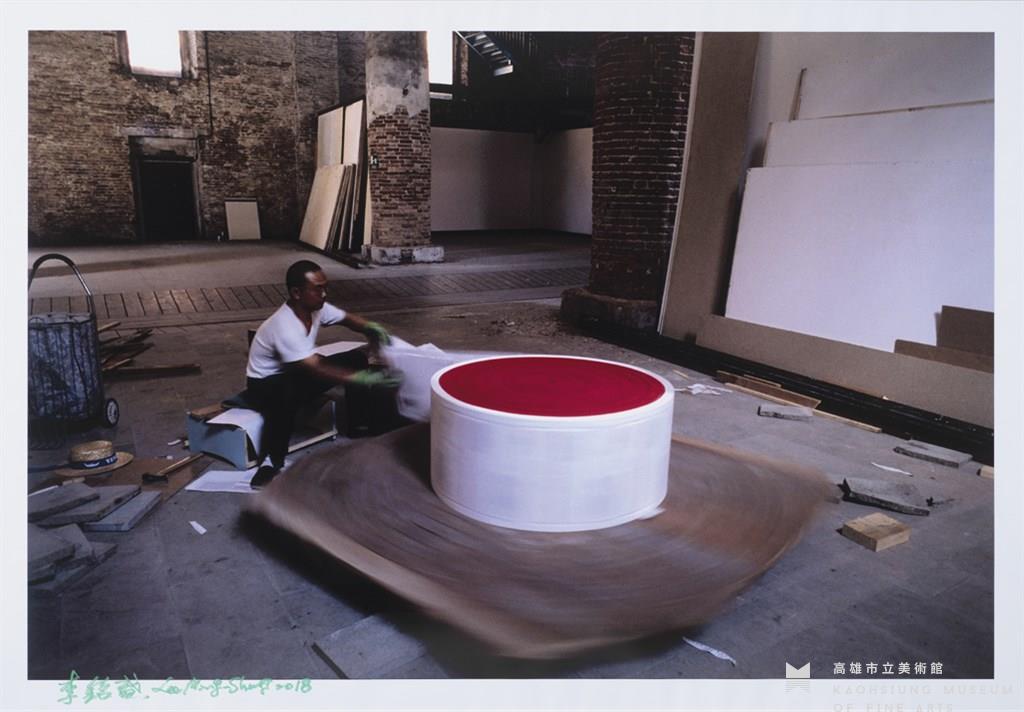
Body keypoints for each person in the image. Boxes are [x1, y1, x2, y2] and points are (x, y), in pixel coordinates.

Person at [244, 259, 396, 488]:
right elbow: (315, 368)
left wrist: (371, 328)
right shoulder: (285, 326)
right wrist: (359, 379)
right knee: (286, 395)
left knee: (355, 359)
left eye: (325, 287)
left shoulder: (316, 309)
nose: (324, 294)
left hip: (294, 370)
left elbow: (347, 319)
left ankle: (359, 427)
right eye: (318, 289)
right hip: (264, 384)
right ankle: (270, 463)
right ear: (296, 293)